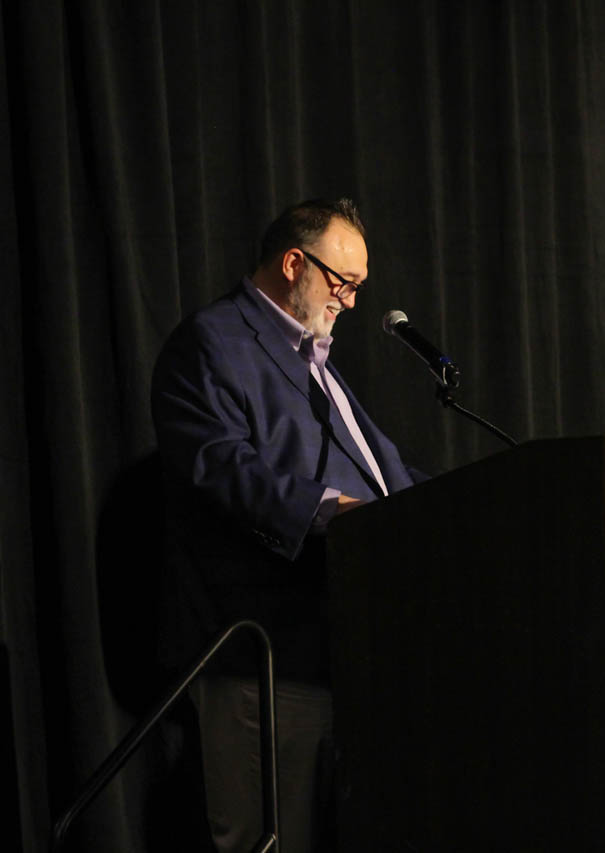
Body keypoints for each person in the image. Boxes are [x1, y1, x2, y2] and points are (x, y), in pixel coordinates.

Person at [152, 198, 424, 853]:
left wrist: (456, 506)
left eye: (358, 286)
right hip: (269, 660)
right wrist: (331, 509)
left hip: (352, 655)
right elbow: (220, 465)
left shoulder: (318, 367)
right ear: (294, 263)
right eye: (343, 282)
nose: (351, 301)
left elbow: (386, 476)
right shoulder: (214, 341)